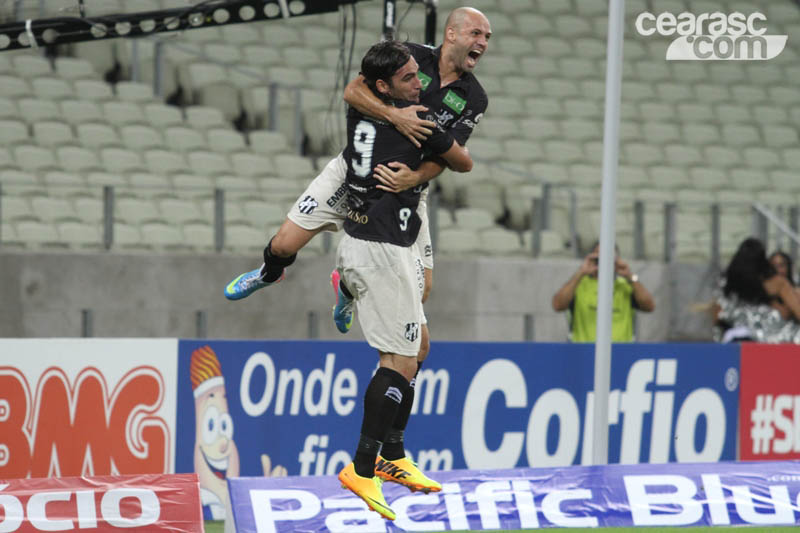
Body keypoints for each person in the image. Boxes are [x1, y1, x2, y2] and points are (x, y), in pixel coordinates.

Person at [223, 6, 491, 330]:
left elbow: (453, 156)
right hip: (353, 169)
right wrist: (396, 116)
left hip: (401, 188)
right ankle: (269, 273)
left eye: (487, 37)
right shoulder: (411, 56)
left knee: (422, 291)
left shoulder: (474, 97)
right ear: (451, 34)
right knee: (282, 246)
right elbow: (353, 91)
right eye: (476, 33)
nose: (483, 42)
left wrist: (415, 177)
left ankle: (346, 289)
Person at [332, 40, 472, 521]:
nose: (420, 84)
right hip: (381, 249)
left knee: (419, 348)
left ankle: (392, 454)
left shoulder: (364, 110)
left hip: (376, 241)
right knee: (399, 362)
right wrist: (427, 136)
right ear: (384, 86)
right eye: (410, 78)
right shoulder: (418, 121)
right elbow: (463, 162)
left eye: (419, 74)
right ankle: (363, 468)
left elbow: (354, 89)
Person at [551, 243, 655, 342]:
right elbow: (558, 305)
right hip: (583, 350)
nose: (604, 260)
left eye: (609, 256)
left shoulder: (626, 285)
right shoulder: (579, 285)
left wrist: (630, 275)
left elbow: (649, 306)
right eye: (599, 256)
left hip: (622, 351)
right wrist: (581, 272)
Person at [713, 238, 800, 343]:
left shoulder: (726, 283)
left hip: (733, 336)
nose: (778, 269)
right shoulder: (773, 283)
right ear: (762, 261)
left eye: (781, 265)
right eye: (774, 265)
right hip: (771, 338)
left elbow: (718, 316)